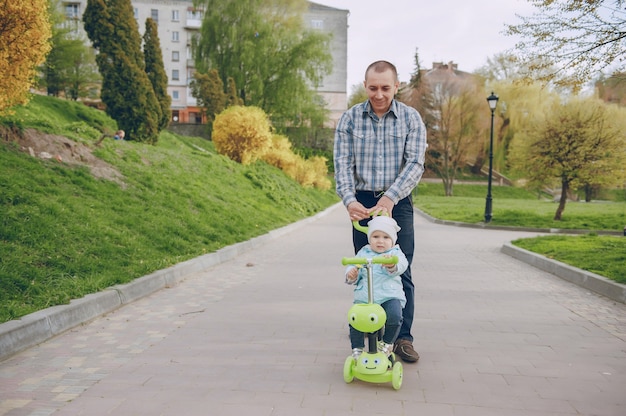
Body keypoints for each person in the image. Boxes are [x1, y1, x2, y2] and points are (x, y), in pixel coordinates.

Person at [334, 60, 428, 363]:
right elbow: (342, 165)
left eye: (385, 88)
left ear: (396, 86)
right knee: (365, 266)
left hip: (397, 202)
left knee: (400, 267)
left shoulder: (411, 119)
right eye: (373, 88)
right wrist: (349, 200)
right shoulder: (349, 119)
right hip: (362, 203)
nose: (379, 94)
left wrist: (389, 199)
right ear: (365, 86)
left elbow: (415, 164)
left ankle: (402, 337)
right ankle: (369, 330)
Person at [345, 216, 409, 360]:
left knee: (395, 316)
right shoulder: (364, 252)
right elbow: (354, 265)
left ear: (393, 240)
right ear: (369, 238)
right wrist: (352, 273)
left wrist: (392, 265)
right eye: (375, 236)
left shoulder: (395, 253)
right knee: (355, 318)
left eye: (386, 237)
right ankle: (357, 348)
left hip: (389, 296)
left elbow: (402, 265)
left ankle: (386, 343)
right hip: (365, 297)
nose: (380, 241)